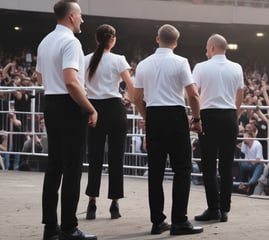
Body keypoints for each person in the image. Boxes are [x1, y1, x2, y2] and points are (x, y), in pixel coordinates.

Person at [35, 1, 98, 239]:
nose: (82, 20)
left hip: (51, 102)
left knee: (54, 167)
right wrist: (90, 108)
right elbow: (71, 81)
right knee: (72, 169)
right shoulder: (71, 42)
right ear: (72, 17)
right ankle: (69, 228)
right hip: (69, 105)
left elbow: (40, 75)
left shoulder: (45, 41)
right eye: (80, 15)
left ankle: (50, 227)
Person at [134, 24, 203, 236]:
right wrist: (197, 119)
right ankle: (179, 221)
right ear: (175, 42)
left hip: (154, 115)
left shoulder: (143, 64)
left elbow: (137, 98)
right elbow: (193, 95)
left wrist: (148, 118)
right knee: (182, 170)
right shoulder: (181, 62)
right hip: (175, 116)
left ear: (157, 39)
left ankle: (157, 222)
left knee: (155, 172)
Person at [84, 24, 134, 220]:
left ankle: (91, 203)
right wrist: (128, 98)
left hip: (93, 109)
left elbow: (80, 86)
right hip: (115, 108)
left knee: (94, 157)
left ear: (97, 39)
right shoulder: (118, 59)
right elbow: (131, 85)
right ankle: (114, 204)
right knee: (116, 158)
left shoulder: (86, 59)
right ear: (112, 40)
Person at [192, 34, 244, 222]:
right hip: (229, 116)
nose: (206, 50)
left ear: (212, 47)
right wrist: (235, 115)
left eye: (207, 47)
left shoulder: (200, 67)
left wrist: (195, 116)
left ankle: (213, 208)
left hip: (208, 116)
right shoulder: (237, 67)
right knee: (226, 165)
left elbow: (193, 94)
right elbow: (240, 95)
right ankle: (225, 209)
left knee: (208, 165)